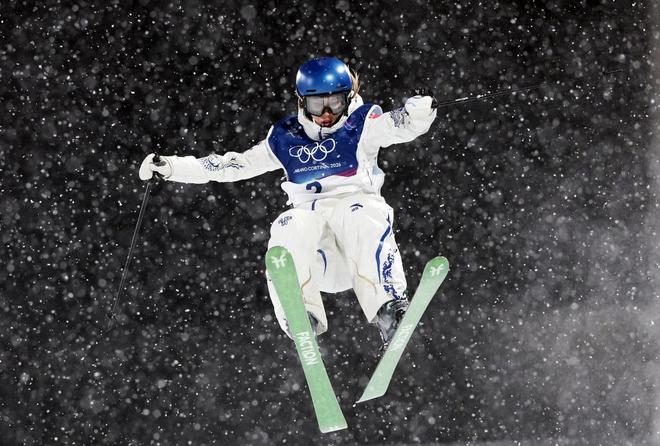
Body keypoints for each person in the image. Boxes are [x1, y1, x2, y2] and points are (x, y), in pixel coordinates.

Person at [139, 56, 437, 348]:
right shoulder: (285, 137)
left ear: (348, 98)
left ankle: (388, 308)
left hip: (358, 252)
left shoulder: (364, 124)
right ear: (301, 102)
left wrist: (419, 113)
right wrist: (172, 167)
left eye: (335, 103)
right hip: (318, 255)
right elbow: (233, 165)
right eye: (316, 105)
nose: (326, 114)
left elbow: (401, 125)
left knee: (357, 211)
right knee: (289, 222)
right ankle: (301, 315)